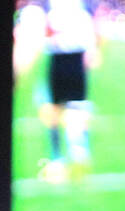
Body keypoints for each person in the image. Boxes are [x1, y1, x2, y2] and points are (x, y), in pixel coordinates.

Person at [38, 0, 100, 184]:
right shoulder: (79, 8)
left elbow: (48, 31)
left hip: (66, 59)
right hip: (68, 59)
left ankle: (64, 157)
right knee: (69, 109)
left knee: (64, 110)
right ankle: (75, 155)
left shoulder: (62, 8)